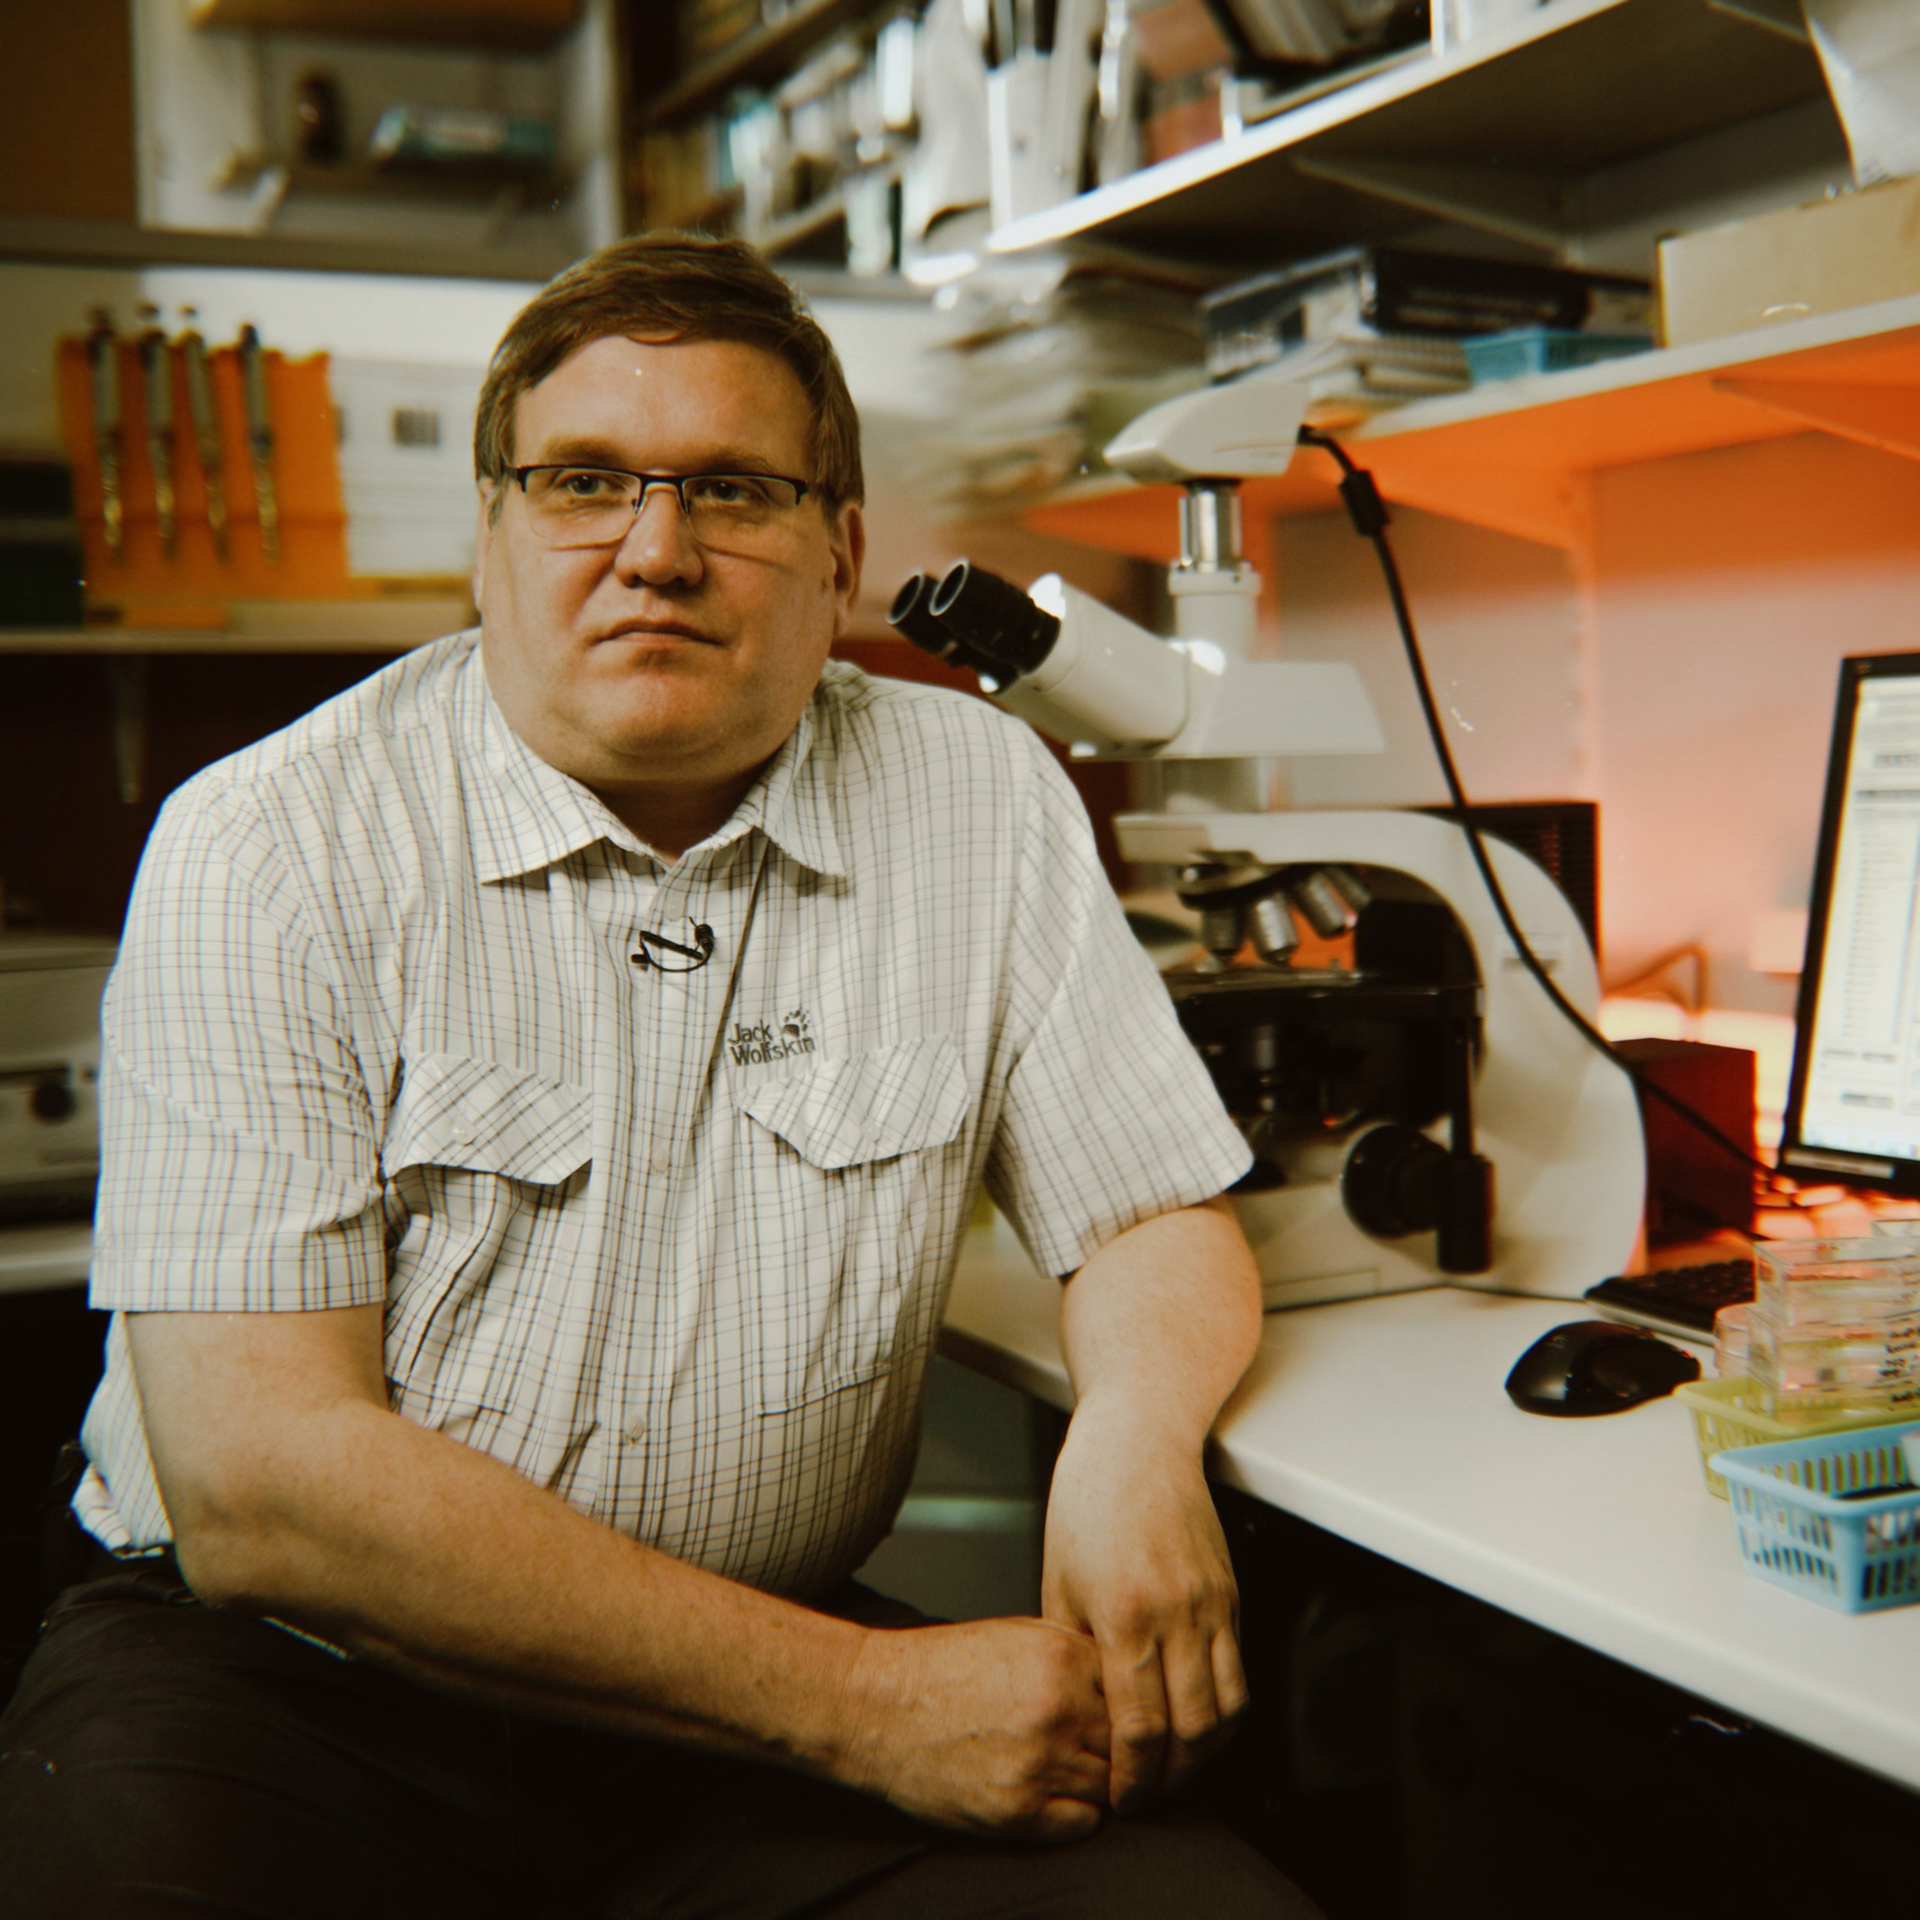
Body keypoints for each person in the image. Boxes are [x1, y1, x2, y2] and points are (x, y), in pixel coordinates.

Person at [0, 234, 1320, 1919]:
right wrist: (866, 1704)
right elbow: (260, 1483)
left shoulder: (978, 797)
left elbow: (1148, 1207)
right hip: (294, 1694)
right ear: (489, 537)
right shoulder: (270, 841)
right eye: (583, 482)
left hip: (749, 1700)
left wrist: (1134, 1443)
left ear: (842, 553)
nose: (656, 551)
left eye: (734, 491)